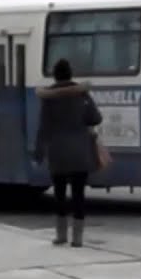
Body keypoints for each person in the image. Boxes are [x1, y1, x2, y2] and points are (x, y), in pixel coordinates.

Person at [34, 58, 103, 247]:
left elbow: (43, 128)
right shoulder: (82, 95)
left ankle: (61, 235)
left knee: (60, 194)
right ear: (70, 74)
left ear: (55, 76)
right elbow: (96, 118)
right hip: (80, 152)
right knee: (79, 194)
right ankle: (78, 239)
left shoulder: (49, 98)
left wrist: (38, 153)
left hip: (58, 152)